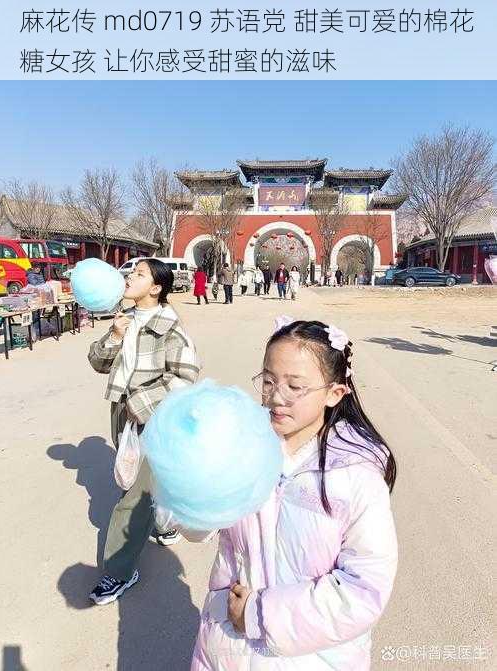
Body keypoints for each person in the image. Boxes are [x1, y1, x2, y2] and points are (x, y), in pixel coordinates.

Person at [187, 318, 397, 670]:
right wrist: (195, 485)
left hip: (314, 655)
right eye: (268, 381)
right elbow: (196, 530)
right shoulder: (242, 448)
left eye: (295, 386)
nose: (276, 398)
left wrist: (258, 614)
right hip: (227, 648)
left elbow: (364, 589)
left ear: (334, 393)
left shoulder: (356, 478)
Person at [87, 259, 201, 605]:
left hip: (154, 417)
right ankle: (164, 525)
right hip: (122, 413)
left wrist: (145, 402)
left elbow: (186, 375)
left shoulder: (170, 328)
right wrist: (115, 336)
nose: (129, 278)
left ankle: (118, 572)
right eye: (130, 273)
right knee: (138, 479)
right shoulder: (124, 320)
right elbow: (97, 362)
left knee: (133, 496)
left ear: (156, 288)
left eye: (138, 274)